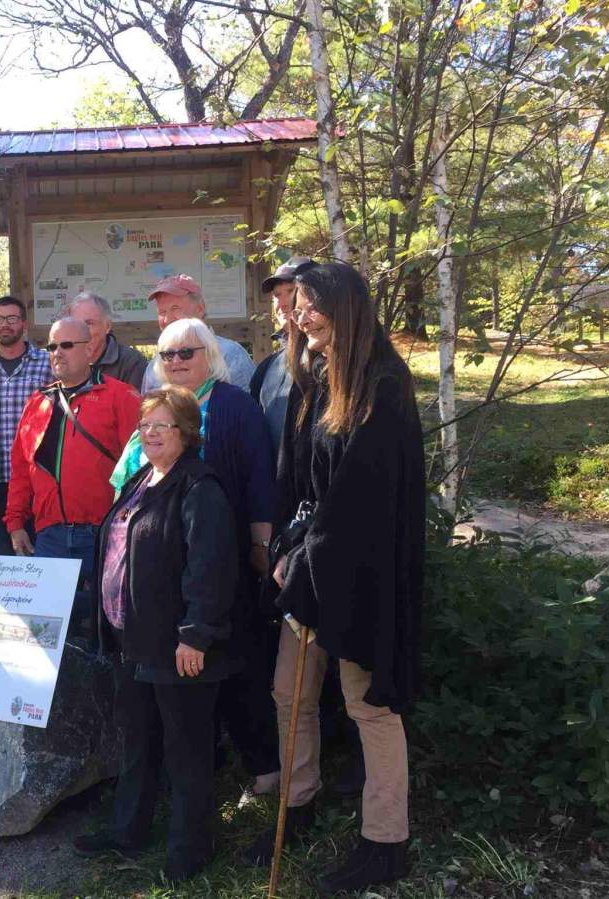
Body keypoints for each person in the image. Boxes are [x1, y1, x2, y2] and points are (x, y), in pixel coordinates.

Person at [240, 261, 425, 896]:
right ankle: (299, 801)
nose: (298, 315)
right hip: (309, 565)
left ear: (344, 308)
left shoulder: (382, 383)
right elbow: (301, 478)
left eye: (310, 305)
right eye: (296, 304)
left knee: (367, 704)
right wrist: (290, 546)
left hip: (359, 576)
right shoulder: (317, 375)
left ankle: (384, 839)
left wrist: (308, 555)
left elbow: (362, 498)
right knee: (289, 692)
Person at [74, 386, 238, 884]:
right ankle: (128, 831)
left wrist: (196, 634)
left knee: (186, 751)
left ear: (187, 432)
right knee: (138, 741)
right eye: (144, 426)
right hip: (133, 640)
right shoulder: (145, 477)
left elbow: (210, 568)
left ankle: (193, 847)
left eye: (160, 426)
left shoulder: (199, 488)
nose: (149, 434)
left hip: (178, 646)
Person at [113, 319, 280, 796]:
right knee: (182, 678)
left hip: (222, 562)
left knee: (236, 668)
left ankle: (264, 768)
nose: (177, 362)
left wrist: (260, 546)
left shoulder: (233, 405)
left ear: (210, 354)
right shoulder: (159, 410)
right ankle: (195, 772)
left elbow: (258, 479)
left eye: (187, 352)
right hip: (165, 571)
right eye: (167, 355)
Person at [4, 317, 141, 627]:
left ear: (90, 349)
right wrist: (15, 523)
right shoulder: (38, 403)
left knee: (109, 624)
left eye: (67, 345)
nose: (57, 352)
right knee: (47, 626)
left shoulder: (121, 397)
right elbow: (22, 469)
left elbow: (139, 469)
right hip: (50, 534)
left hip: (103, 533)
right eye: (52, 346)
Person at [0, 296, 53, 555]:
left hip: (38, 477)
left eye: (12, 319)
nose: (5, 325)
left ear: (24, 324)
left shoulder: (47, 363)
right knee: (2, 557)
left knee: (43, 555)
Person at [141, 274, 255, 393]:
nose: (167, 319)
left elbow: (245, 406)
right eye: (162, 312)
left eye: (175, 309)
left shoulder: (230, 354)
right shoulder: (156, 364)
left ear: (200, 309)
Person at [249, 258, 313, 455]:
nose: (282, 303)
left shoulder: (332, 360)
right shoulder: (268, 367)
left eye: (292, 291)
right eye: (277, 295)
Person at [66, 291, 147, 389]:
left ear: (107, 326)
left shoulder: (131, 362)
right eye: (76, 324)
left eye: (89, 323)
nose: (81, 331)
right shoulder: (63, 359)